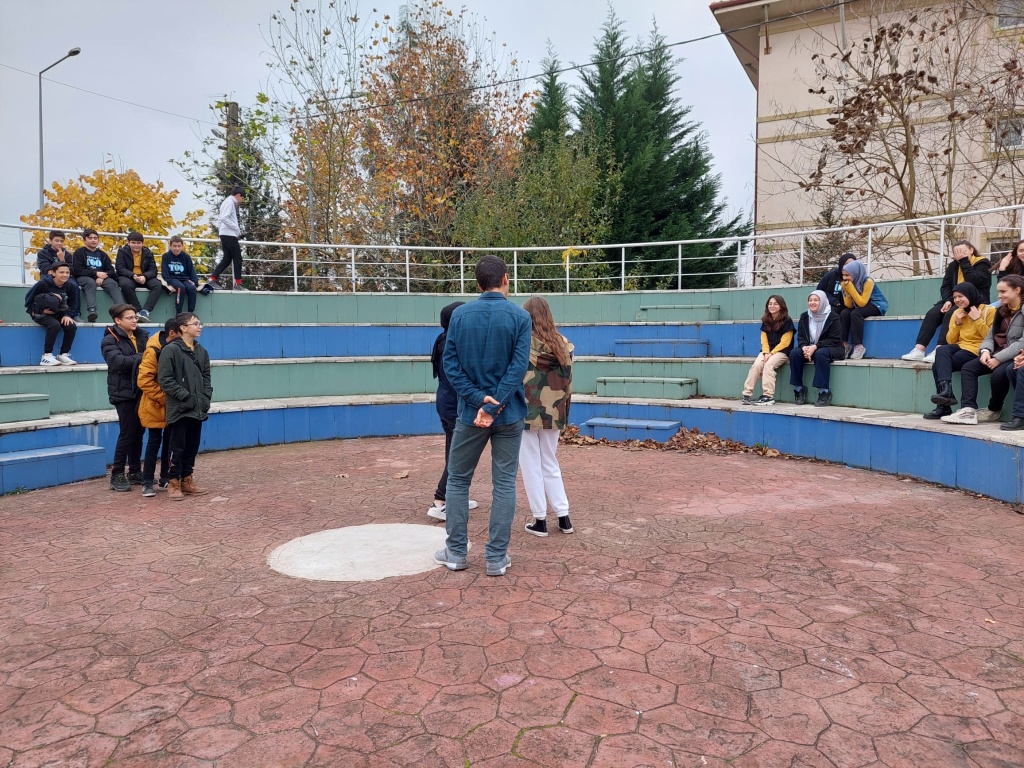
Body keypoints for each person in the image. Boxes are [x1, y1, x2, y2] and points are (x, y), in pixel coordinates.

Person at [434, 255, 532, 577]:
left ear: (477, 283)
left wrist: (479, 402)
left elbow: (451, 367)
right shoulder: (520, 317)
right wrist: (493, 406)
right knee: (503, 484)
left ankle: (456, 552)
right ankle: (496, 558)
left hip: (469, 415)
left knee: (458, 481)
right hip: (509, 414)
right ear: (505, 279)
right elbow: (518, 369)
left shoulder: (460, 316)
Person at [519, 297, 574, 537]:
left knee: (530, 464)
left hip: (526, 411)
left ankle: (539, 519)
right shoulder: (564, 345)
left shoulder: (522, 344)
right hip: (554, 411)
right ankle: (564, 517)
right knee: (550, 461)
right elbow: (568, 384)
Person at [942, 275, 1024, 425]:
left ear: (1017, 290)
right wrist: (985, 350)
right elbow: (990, 335)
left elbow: (1021, 342)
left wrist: (998, 358)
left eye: (1003, 292)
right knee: (969, 368)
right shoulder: (1001, 309)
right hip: (996, 352)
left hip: (1015, 354)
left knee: (1000, 373)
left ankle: (994, 409)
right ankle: (968, 410)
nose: (999, 296)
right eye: (998, 292)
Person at [427, 301, 479, 521]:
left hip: (445, 403)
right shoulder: (453, 343)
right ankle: (440, 501)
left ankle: (455, 496)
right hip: (455, 406)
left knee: (454, 452)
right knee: (459, 456)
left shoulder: (443, 339)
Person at [902, 240, 991, 362]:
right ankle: (919, 349)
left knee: (951, 314)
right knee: (933, 313)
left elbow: (975, 281)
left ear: (971, 250)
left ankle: (940, 349)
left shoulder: (983, 263)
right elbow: (946, 286)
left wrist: (964, 262)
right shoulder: (953, 266)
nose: (959, 255)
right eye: (956, 253)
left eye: (963, 251)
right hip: (955, 299)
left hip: (975, 301)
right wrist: (948, 300)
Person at [158, 312, 213, 500]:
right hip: (180, 408)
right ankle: (173, 482)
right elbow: (165, 380)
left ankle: (187, 480)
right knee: (177, 447)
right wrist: (186, 397)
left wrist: (205, 398)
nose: (199, 326)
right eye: (195, 323)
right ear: (183, 328)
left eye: (199, 323)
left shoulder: (201, 351)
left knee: (192, 446)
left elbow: (207, 377)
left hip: (197, 408)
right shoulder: (170, 350)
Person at [924, 282, 996, 419]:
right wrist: (957, 323)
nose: (957, 300)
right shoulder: (957, 312)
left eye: (961, 296)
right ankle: (946, 394)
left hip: (979, 349)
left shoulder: (989, 311)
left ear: (970, 294)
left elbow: (990, 337)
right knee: (942, 351)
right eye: (955, 297)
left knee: (937, 365)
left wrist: (977, 319)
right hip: (962, 346)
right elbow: (950, 340)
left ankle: (944, 405)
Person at [101, 304, 150, 492]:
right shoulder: (109, 340)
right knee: (127, 433)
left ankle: (135, 471)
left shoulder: (142, 336)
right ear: (118, 320)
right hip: (122, 392)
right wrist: (143, 357)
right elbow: (119, 362)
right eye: (129, 318)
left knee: (139, 432)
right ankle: (117, 474)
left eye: (135, 317)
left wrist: (140, 357)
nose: (134, 320)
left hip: (141, 390)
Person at [137, 318, 180, 496]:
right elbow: (144, 380)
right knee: (154, 442)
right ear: (172, 333)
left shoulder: (177, 348)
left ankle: (165, 478)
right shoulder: (153, 350)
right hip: (156, 404)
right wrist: (163, 398)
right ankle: (147, 481)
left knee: (170, 442)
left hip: (172, 405)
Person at [789, 289, 845, 407]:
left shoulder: (833, 317)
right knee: (794, 353)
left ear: (823, 301)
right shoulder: (804, 316)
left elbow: (834, 339)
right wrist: (804, 347)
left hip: (832, 348)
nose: (812, 303)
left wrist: (815, 347)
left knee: (820, 353)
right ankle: (799, 389)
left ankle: (824, 392)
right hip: (811, 348)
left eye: (816, 300)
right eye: (810, 300)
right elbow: (801, 337)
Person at [741, 295, 794, 406]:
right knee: (756, 365)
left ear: (781, 306)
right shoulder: (766, 320)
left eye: (775, 304)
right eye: (770, 304)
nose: (772, 306)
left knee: (768, 365)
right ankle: (747, 394)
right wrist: (766, 352)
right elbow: (764, 339)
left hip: (782, 351)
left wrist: (771, 353)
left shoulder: (787, 321)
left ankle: (768, 396)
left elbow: (785, 342)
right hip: (767, 351)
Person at [24, 261, 78, 366]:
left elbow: (73, 305)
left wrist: (67, 315)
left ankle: (63, 355)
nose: (65, 275)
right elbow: (28, 301)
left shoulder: (71, 286)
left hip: (59, 313)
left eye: (67, 272)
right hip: (40, 313)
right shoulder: (43, 284)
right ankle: (47, 356)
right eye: (61, 272)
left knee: (71, 326)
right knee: (54, 325)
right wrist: (40, 310)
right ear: (53, 273)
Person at [839, 259, 888, 360]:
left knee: (856, 313)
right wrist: (847, 291)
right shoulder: (847, 284)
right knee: (844, 313)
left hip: (876, 304)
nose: (844, 278)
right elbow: (848, 305)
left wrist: (850, 288)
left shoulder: (868, 281)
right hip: (860, 304)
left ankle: (859, 346)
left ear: (855, 273)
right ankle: (844, 345)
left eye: (847, 275)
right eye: (843, 275)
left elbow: (862, 302)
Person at [73, 228, 125, 322]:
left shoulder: (103, 254)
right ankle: (92, 311)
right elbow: (77, 270)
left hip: (102, 278)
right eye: (90, 238)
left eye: (95, 238)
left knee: (112, 283)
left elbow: (111, 270)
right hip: (84, 278)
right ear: (84, 240)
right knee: (90, 282)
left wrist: (104, 276)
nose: (93, 240)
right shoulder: (79, 253)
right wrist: (95, 274)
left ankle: (121, 310)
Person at [114, 232, 163, 320]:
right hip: (128, 276)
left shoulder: (148, 253)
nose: (136, 245)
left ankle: (145, 311)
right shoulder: (122, 252)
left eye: (138, 243)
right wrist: (132, 275)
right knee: (125, 284)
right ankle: (137, 311)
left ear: (142, 243)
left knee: (158, 285)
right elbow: (120, 268)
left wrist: (145, 276)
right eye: (133, 243)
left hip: (143, 276)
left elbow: (153, 270)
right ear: (128, 243)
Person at [208, 186, 247, 291]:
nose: (242, 201)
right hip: (229, 234)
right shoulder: (230, 202)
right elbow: (224, 218)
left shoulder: (227, 202)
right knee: (237, 258)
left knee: (227, 259)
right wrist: (236, 229)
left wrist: (235, 232)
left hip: (226, 234)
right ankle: (238, 284)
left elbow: (222, 219)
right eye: (242, 198)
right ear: (238, 195)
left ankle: (212, 279)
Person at [36, 229, 82, 312]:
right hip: (49, 276)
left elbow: (71, 270)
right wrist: (58, 268)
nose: (59, 243)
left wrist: (62, 259)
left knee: (74, 285)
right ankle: (48, 309)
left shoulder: (67, 254)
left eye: (61, 241)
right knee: (45, 284)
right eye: (56, 241)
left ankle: (75, 312)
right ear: (50, 241)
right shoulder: (43, 253)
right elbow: (45, 268)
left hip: (65, 276)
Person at [161, 236, 200, 314]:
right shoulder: (166, 256)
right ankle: (179, 313)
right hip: (173, 278)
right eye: (174, 246)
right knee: (180, 288)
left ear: (182, 246)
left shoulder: (186, 257)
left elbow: (191, 271)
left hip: (185, 279)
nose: (177, 248)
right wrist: (169, 282)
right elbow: (164, 272)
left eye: (179, 246)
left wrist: (194, 282)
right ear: (170, 246)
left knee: (192, 288)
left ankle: (190, 312)